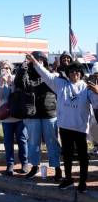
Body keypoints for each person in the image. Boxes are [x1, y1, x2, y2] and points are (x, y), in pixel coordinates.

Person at [29, 54, 98, 193]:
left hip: (80, 128)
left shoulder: (87, 88)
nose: (75, 74)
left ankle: (82, 182)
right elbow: (45, 74)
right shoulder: (60, 84)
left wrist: (97, 92)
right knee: (67, 155)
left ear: (81, 73)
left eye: (77, 71)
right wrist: (35, 62)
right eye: (72, 71)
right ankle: (68, 179)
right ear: (68, 73)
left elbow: (96, 104)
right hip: (65, 127)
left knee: (83, 156)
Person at [14, 51, 62, 181]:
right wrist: (23, 67)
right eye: (36, 59)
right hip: (32, 113)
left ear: (45, 61)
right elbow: (19, 83)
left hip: (49, 112)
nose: (38, 61)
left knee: (52, 142)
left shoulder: (50, 73)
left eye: (41, 59)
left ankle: (57, 167)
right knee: (33, 143)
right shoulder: (27, 73)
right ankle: (34, 166)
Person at [0, 60, 28, 175]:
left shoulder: (16, 79)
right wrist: (2, 84)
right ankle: (10, 164)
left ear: (11, 69)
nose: (6, 70)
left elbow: (18, 95)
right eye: (3, 68)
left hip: (18, 115)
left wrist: (10, 84)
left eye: (7, 68)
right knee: (8, 142)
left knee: (22, 140)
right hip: (6, 117)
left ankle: (24, 163)